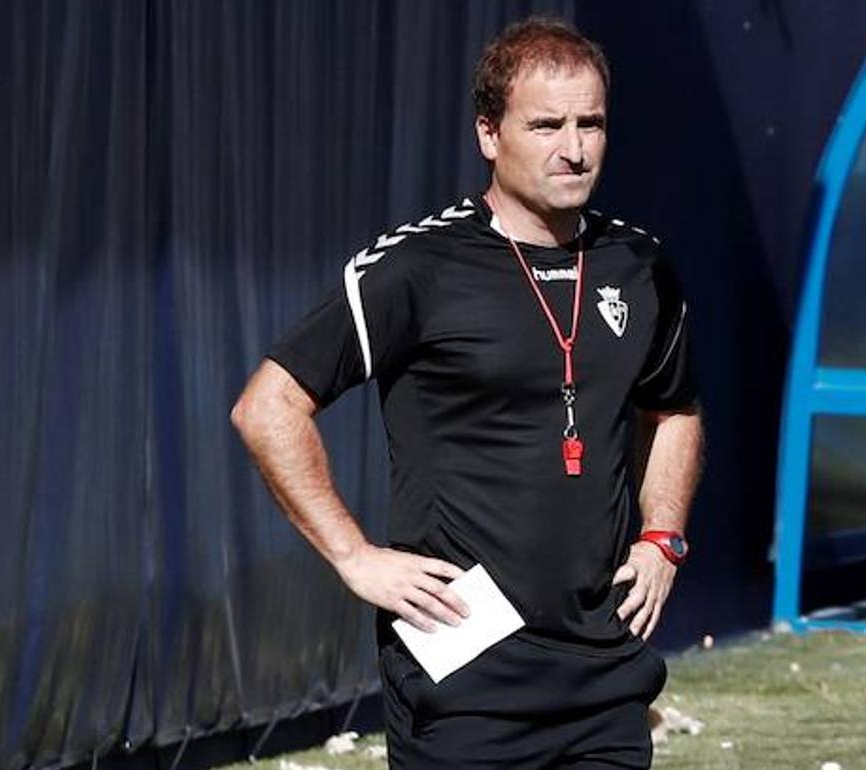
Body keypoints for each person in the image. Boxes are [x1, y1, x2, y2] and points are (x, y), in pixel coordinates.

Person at [231, 16, 703, 770]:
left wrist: (664, 538)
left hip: (604, 673)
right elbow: (266, 406)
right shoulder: (418, 267)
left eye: (590, 123)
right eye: (546, 125)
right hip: (464, 677)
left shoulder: (638, 264)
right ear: (489, 133)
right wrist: (355, 556)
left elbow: (673, 408)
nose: (574, 148)